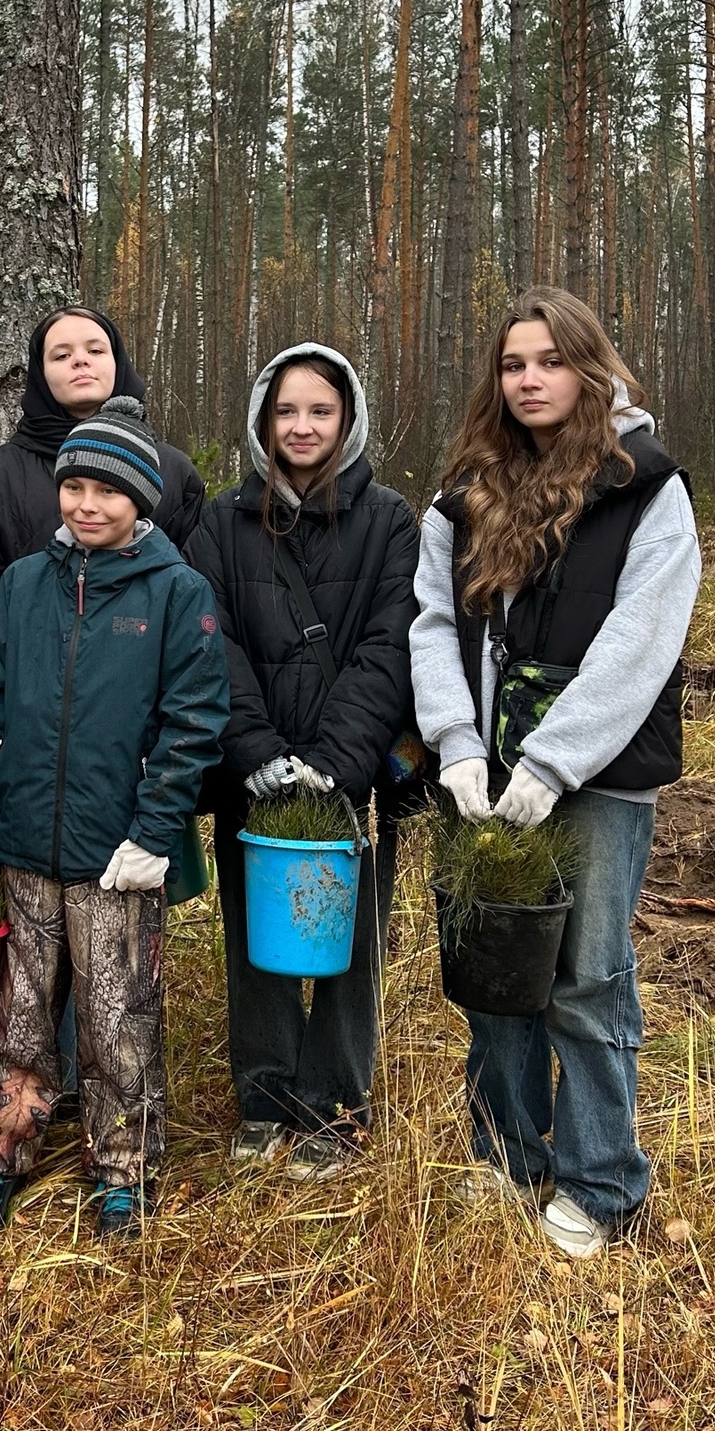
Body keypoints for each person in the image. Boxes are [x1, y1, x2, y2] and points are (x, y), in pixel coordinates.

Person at [410, 287, 701, 1259]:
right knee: (493, 966)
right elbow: (432, 625)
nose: (527, 378)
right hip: (483, 777)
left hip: (596, 778)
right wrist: (455, 739)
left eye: (546, 359)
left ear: (588, 366)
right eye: (510, 363)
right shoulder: (464, 491)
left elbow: (641, 638)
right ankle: (504, 1151)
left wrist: (552, 759)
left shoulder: (642, 483)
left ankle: (600, 1181)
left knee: (581, 974)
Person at [0, 396, 229, 1241]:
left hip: (116, 856)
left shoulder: (178, 594)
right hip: (26, 845)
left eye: (108, 490)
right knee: (20, 1014)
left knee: (117, 1021)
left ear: (141, 499)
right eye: (75, 487)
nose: (88, 504)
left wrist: (156, 831)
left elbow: (194, 723)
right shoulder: (26, 584)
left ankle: (121, 1172)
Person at [187, 345, 419, 1179]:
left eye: (320, 411)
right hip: (253, 778)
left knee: (352, 941)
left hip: (349, 776)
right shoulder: (221, 521)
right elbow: (210, 640)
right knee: (256, 942)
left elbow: (392, 646)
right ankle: (266, 1097)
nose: (303, 427)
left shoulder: (390, 519)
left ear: (347, 419)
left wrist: (334, 762)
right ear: (262, 420)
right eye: (287, 411)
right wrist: (254, 752)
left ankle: (335, 1103)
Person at [0, 308, 205, 701]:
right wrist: (1, 711)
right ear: (40, 373)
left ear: (118, 364)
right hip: (28, 709)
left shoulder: (173, 473)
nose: (79, 360)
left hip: (142, 712)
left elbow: (195, 607)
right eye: (61, 355)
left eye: (95, 350)